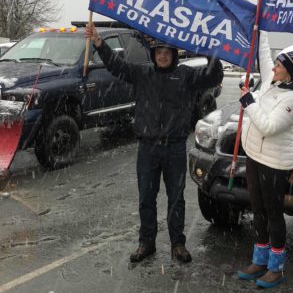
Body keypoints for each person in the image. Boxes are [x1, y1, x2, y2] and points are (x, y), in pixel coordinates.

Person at [85, 23, 223, 263]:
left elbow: (213, 75)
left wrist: (212, 52)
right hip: (148, 147)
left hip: (175, 147)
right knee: (146, 198)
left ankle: (177, 244)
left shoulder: (186, 76)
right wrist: (99, 43)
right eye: (158, 52)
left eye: (166, 53)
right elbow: (117, 66)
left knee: (176, 198)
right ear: (153, 55)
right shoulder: (143, 74)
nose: (162, 56)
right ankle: (146, 243)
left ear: (173, 56)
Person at [235, 30, 293, 288]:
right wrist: (259, 30)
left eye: (279, 65)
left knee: (273, 214)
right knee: (258, 211)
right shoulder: (270, 85)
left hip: (275, 165)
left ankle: (276, 266)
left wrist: (248, 101)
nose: (273, 67)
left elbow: (269, 126)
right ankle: (259, 260)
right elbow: (264, 56)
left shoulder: (292, 99)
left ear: (290, 72)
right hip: (254, 157)